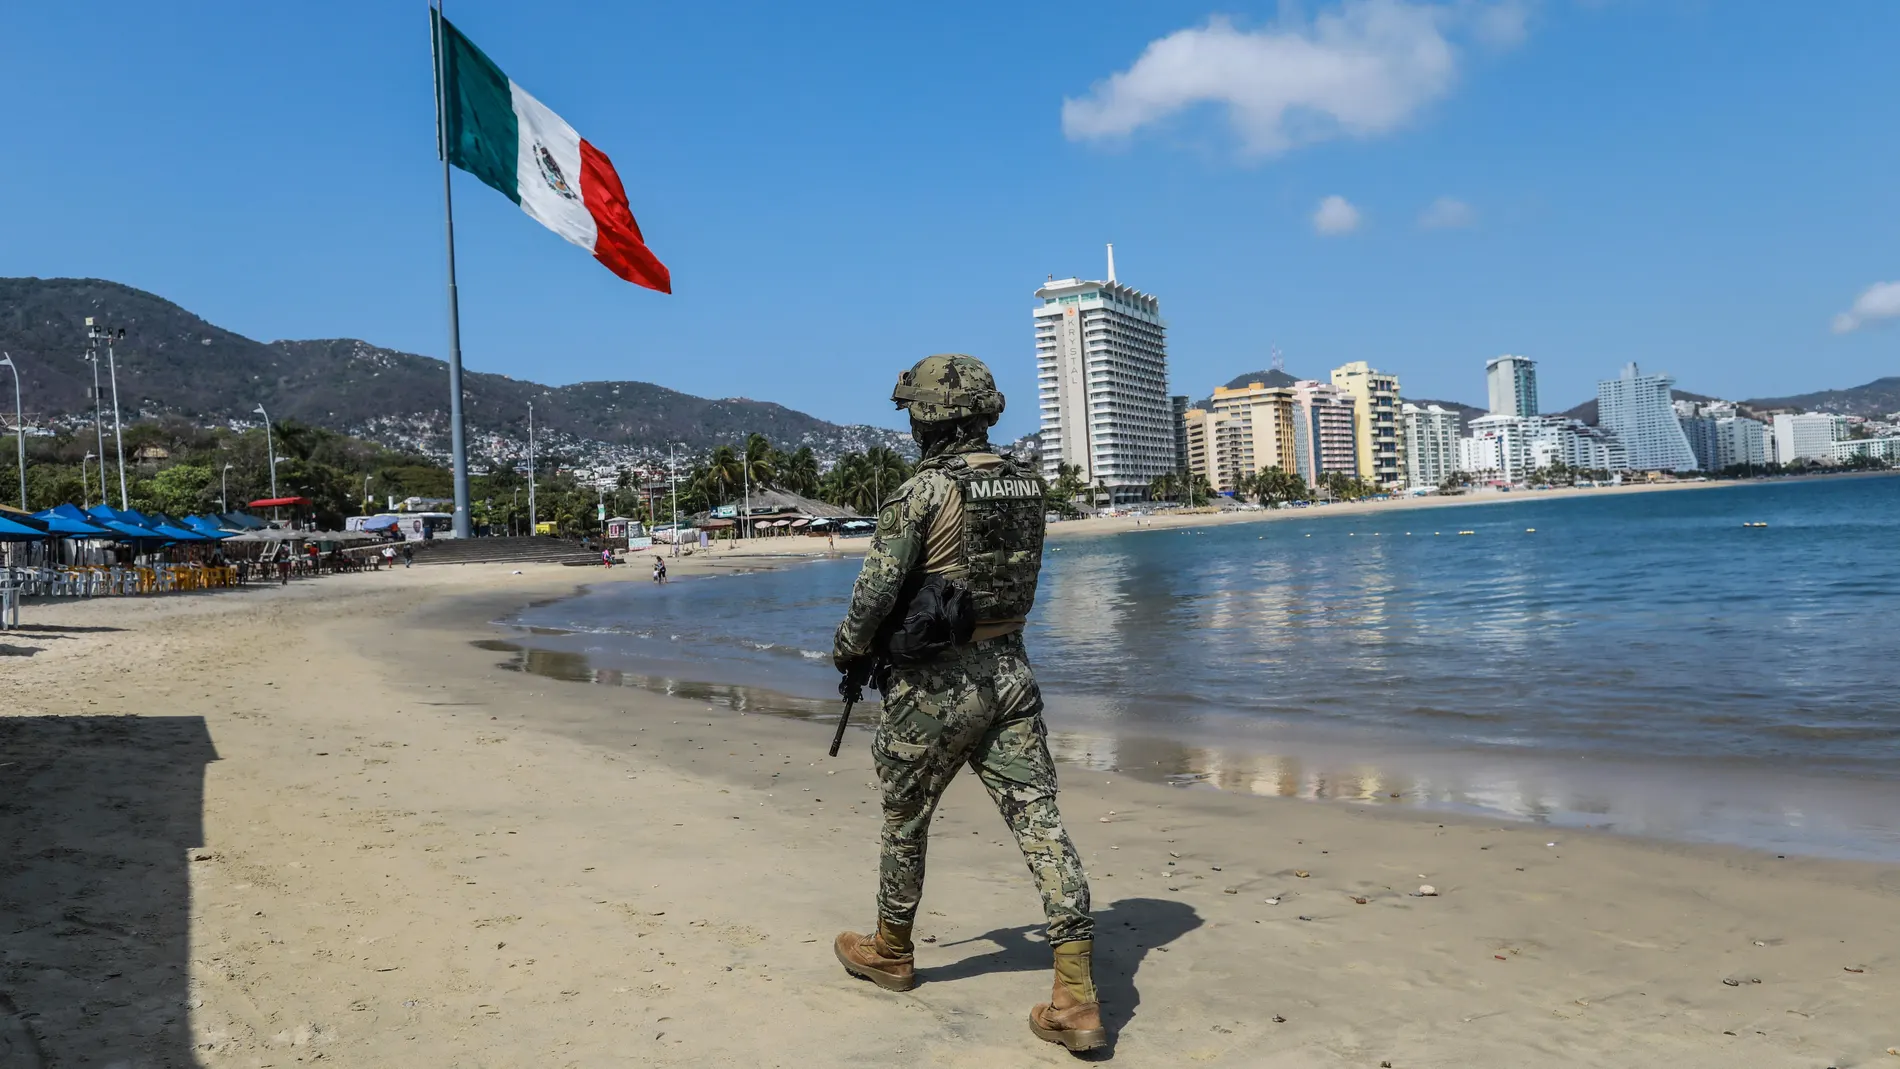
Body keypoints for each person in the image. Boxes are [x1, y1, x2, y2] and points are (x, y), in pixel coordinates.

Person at [830, 354, 1102, 1052]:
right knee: (1040, 821)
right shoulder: (1027, 484)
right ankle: (1075, 994)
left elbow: (873, 597)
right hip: (1011, 673)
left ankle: (892, 949)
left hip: (933, 688)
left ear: (925, 418)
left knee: (905, 818)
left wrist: (848, 652)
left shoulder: (921, 493)